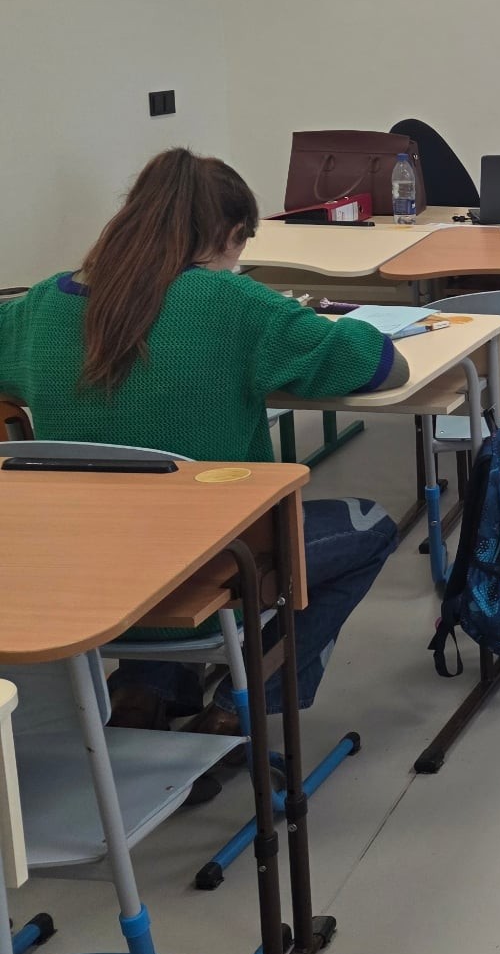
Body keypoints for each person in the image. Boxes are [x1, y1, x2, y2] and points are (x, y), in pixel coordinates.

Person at [0, 148, 407, 735]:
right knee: (372, 528)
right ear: (228, 235)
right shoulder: (232, 303)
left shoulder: (42, 305)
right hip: (213, 574)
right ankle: (242, 708)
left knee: (141, 514)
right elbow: (380, 366)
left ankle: (143, 689)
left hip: (85, 580)